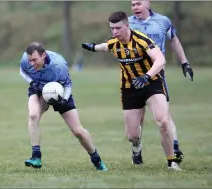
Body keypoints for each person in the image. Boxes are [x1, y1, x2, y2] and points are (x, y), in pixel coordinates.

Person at [82, 11, 182, 170]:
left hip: (152, 83)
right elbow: (105, 46)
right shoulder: (114, 42)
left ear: (127, 26)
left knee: (163, 121)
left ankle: (172, 161)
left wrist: (147, 76)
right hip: (130, 88)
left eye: (118, 28)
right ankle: (136, 149)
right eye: (112, 29)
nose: (115, 32)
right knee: (132, 135)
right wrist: (93, 47)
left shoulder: (141, 40)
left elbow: (160, 59)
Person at [19, 42, 108, 171]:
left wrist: (64, 99)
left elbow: (67, 85)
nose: (32, 63)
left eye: (35, 60)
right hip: (37, 88)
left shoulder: (58, 66)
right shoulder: (25, 59)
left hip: (60, 92)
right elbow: (22, 71)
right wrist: (32, 83)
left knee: (78, 131)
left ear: (43, 55)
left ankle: (96, 159)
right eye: (30, 60)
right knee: (33, 115)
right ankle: (36, 157)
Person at [128, 0, 194, 164]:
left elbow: (173, 40)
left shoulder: (162, 21)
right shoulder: (127, 23)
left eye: (138, 3)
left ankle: (175, 149)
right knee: (137, 121)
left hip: (156, 76)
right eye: (132, 4)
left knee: (163, 116)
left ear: (148, 4)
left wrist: (184, 62)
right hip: (134, 77)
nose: (135, 7)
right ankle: (136, 150)